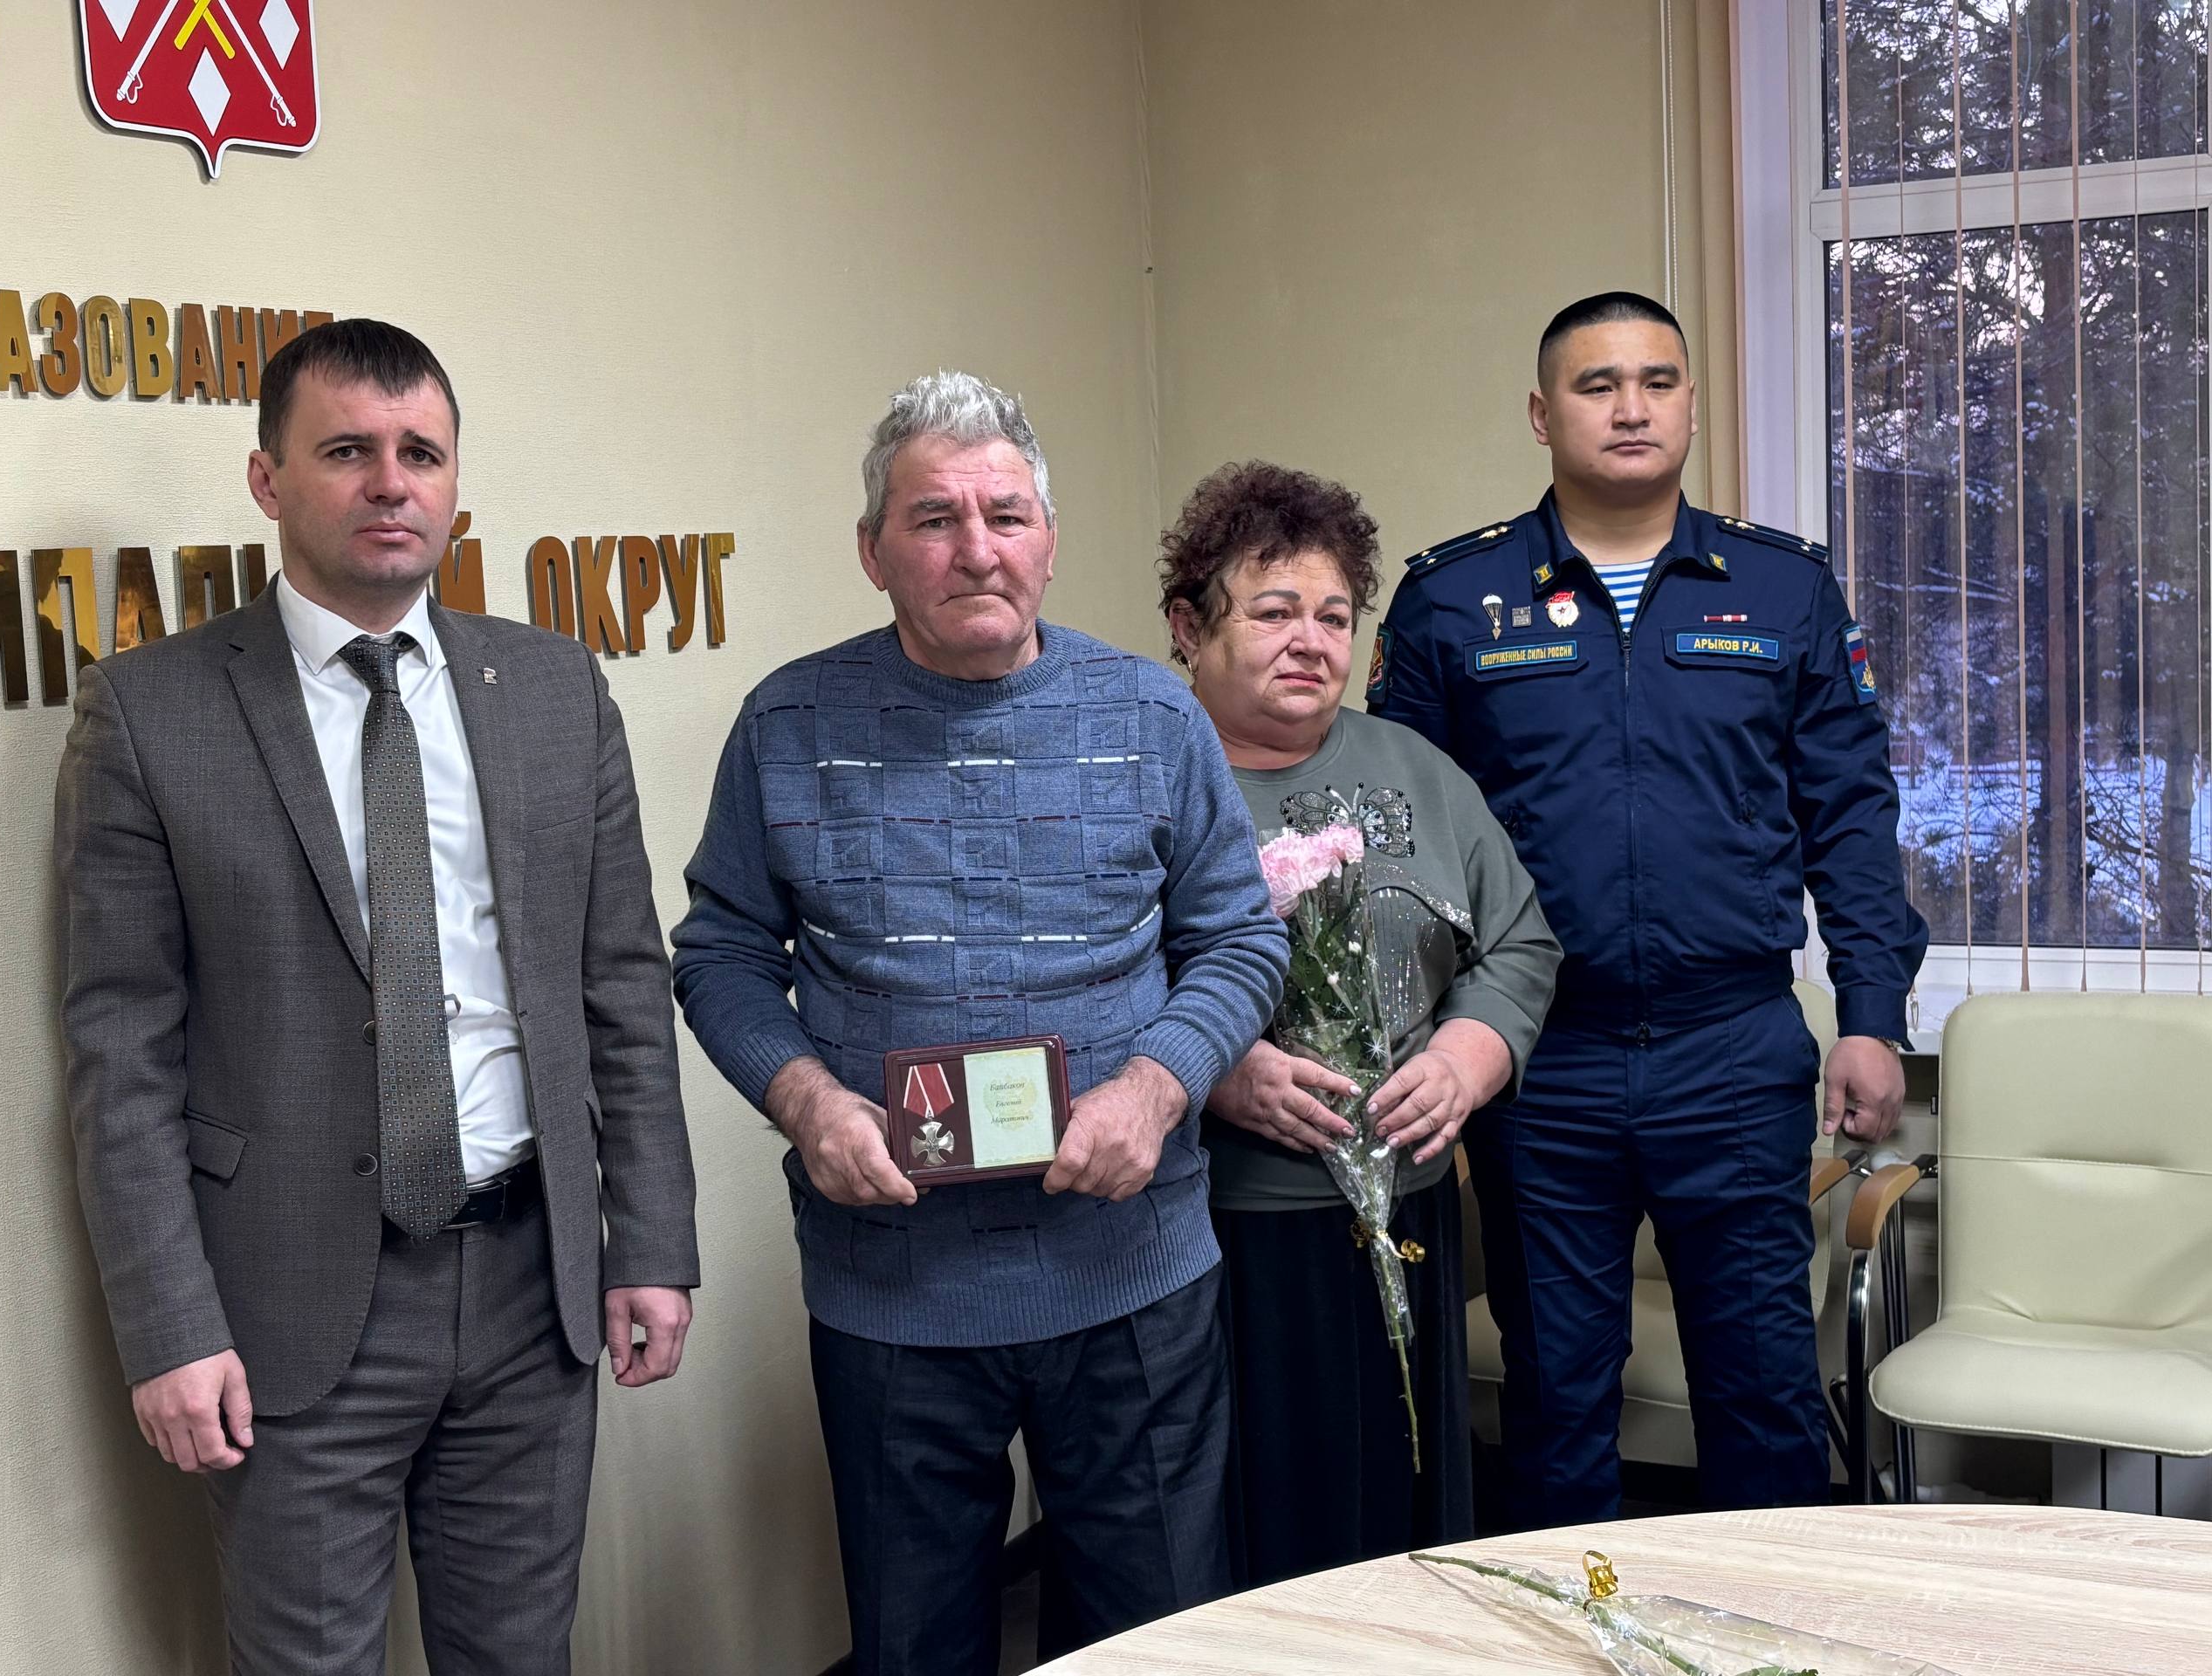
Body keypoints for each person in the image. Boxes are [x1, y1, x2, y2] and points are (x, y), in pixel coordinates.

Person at [57, 319, 700, 1673]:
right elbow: (121, 1052)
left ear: (456, 480)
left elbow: (623, 988)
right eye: (348, 450)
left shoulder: (552, 689)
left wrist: (649, 1239)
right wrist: (169, 1328)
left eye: (422, 453)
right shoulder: (151, 713)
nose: (391, 483)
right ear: (268, 479)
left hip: (532, 1287)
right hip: (285, 1311)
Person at [671, 372, 1288, 1674]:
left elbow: (1241, 939)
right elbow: (720, 954)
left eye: (1006, 515)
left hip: (1131, 1273)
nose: (976, 549)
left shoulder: (1154, 714)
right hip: (892, 1291)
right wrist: (805, 1102)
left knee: (1156, 1640)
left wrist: (1158, 1089)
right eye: (934, 519)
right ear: (872, 551)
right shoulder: (787, 724)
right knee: (914, 1644)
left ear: (1049, 539)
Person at [1369, 291, 1928, 1528]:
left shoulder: (1782, 588)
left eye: (1658, 381)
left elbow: (1850, 812)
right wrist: (1419, 1039)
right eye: (1597, 384)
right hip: (1539, 1058)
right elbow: (1396, 842)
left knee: (1764, 1393)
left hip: (1732, 1047)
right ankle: (1578, 1624)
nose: (1631, 407)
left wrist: (1872, 1014)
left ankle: (1767, 1627)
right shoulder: (1453, 600)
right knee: (1557, 1397)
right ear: (1541, 414)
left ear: (1690, 404)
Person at [1159, 460, 1560, 1586]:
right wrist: (1217, 1069)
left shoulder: (1415, 769)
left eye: (1334, 617)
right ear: (1189, 627)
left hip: (1410, 1217)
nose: (1311, 642)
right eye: (1273, 611)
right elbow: (1090, 981)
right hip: (1224, 1231)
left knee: (1405, 1511)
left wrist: (1469, 1055)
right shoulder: (1149, 779)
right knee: (1263, 1528)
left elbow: (1521, 942)